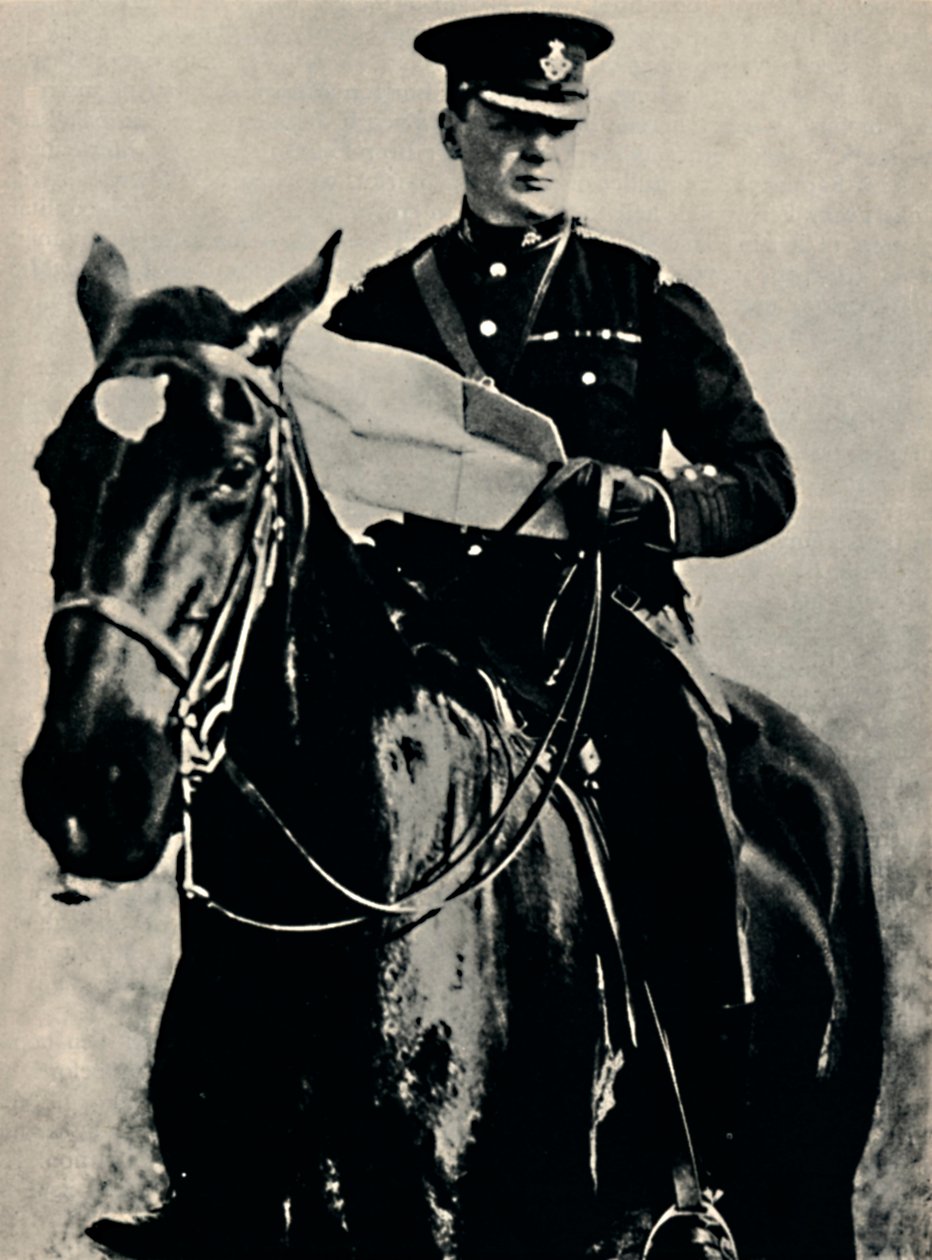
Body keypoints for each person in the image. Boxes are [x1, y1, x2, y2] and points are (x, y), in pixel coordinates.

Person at [323, 9, 796, 1248]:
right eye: (507, 124)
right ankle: (226, 1154)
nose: (535, 149)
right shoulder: (380, 309)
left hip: (600, 630)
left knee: (678, 805)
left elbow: (762, 481)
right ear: (452, 131)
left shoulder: (640, 298)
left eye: (556, 127)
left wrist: (650, 503)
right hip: (434, 629)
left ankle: (687, 1171)